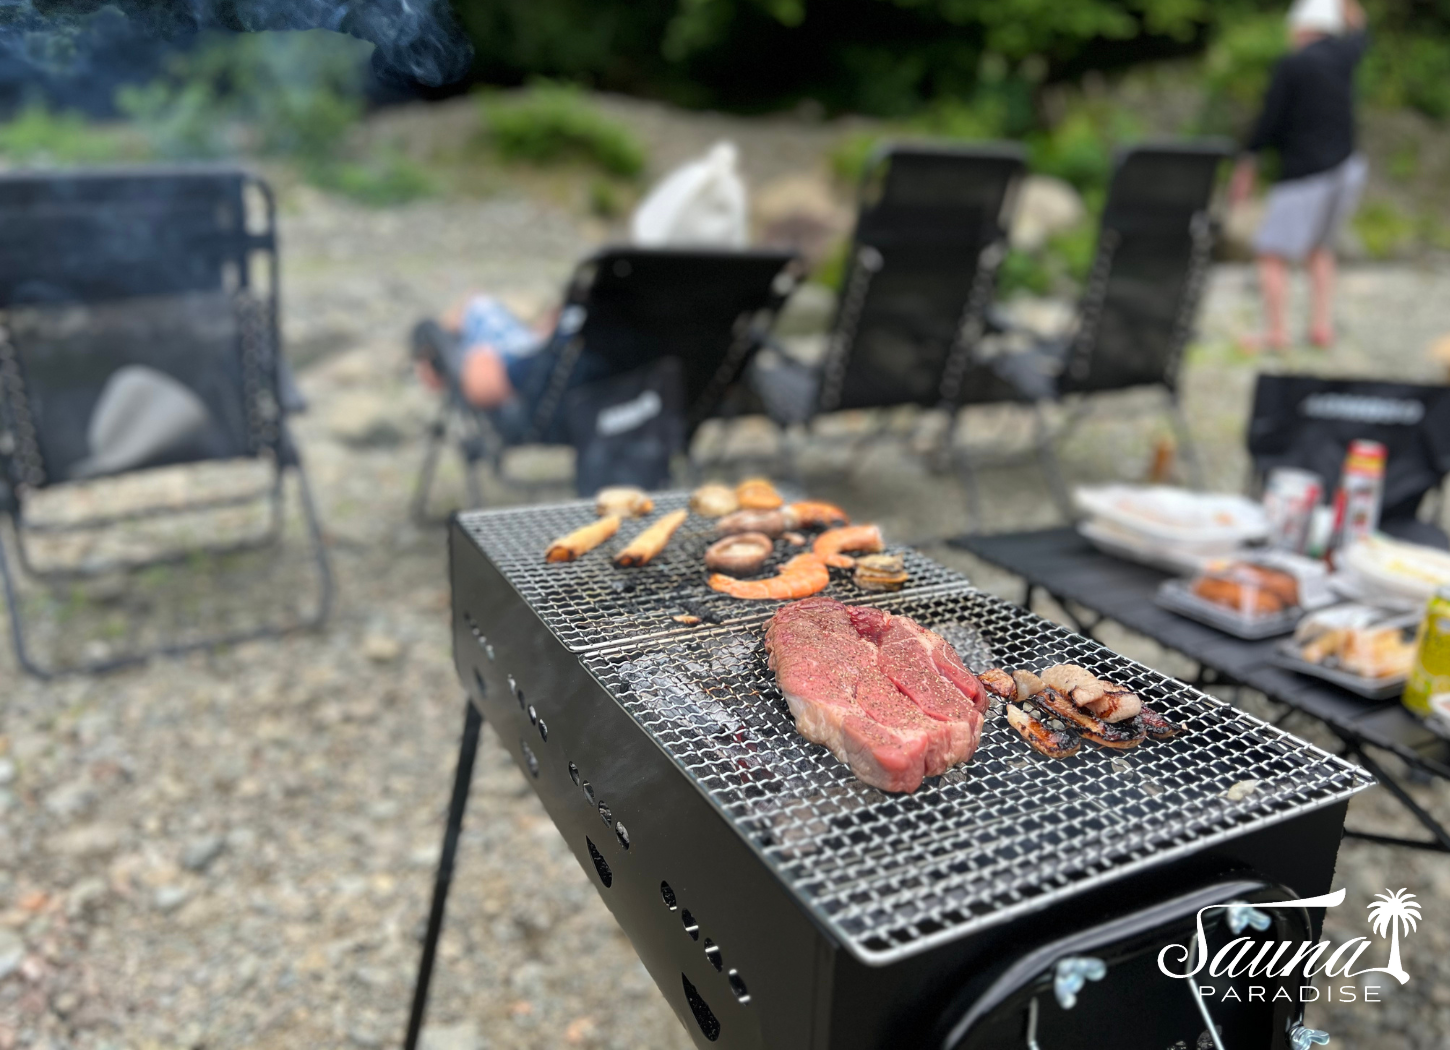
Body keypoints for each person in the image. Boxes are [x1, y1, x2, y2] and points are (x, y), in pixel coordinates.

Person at [1230, 0, 1368, 351]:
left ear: (1302, 26)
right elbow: (1361, 34)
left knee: (1271, 252)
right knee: (1320, 248)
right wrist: (1350, 9)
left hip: (1305, 171)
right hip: (1347, 167)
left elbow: (1269, 121)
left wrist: (1247, 164)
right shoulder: (1345, 57)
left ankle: (1277, 333)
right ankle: (1321, 328)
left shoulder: (1293, 64)